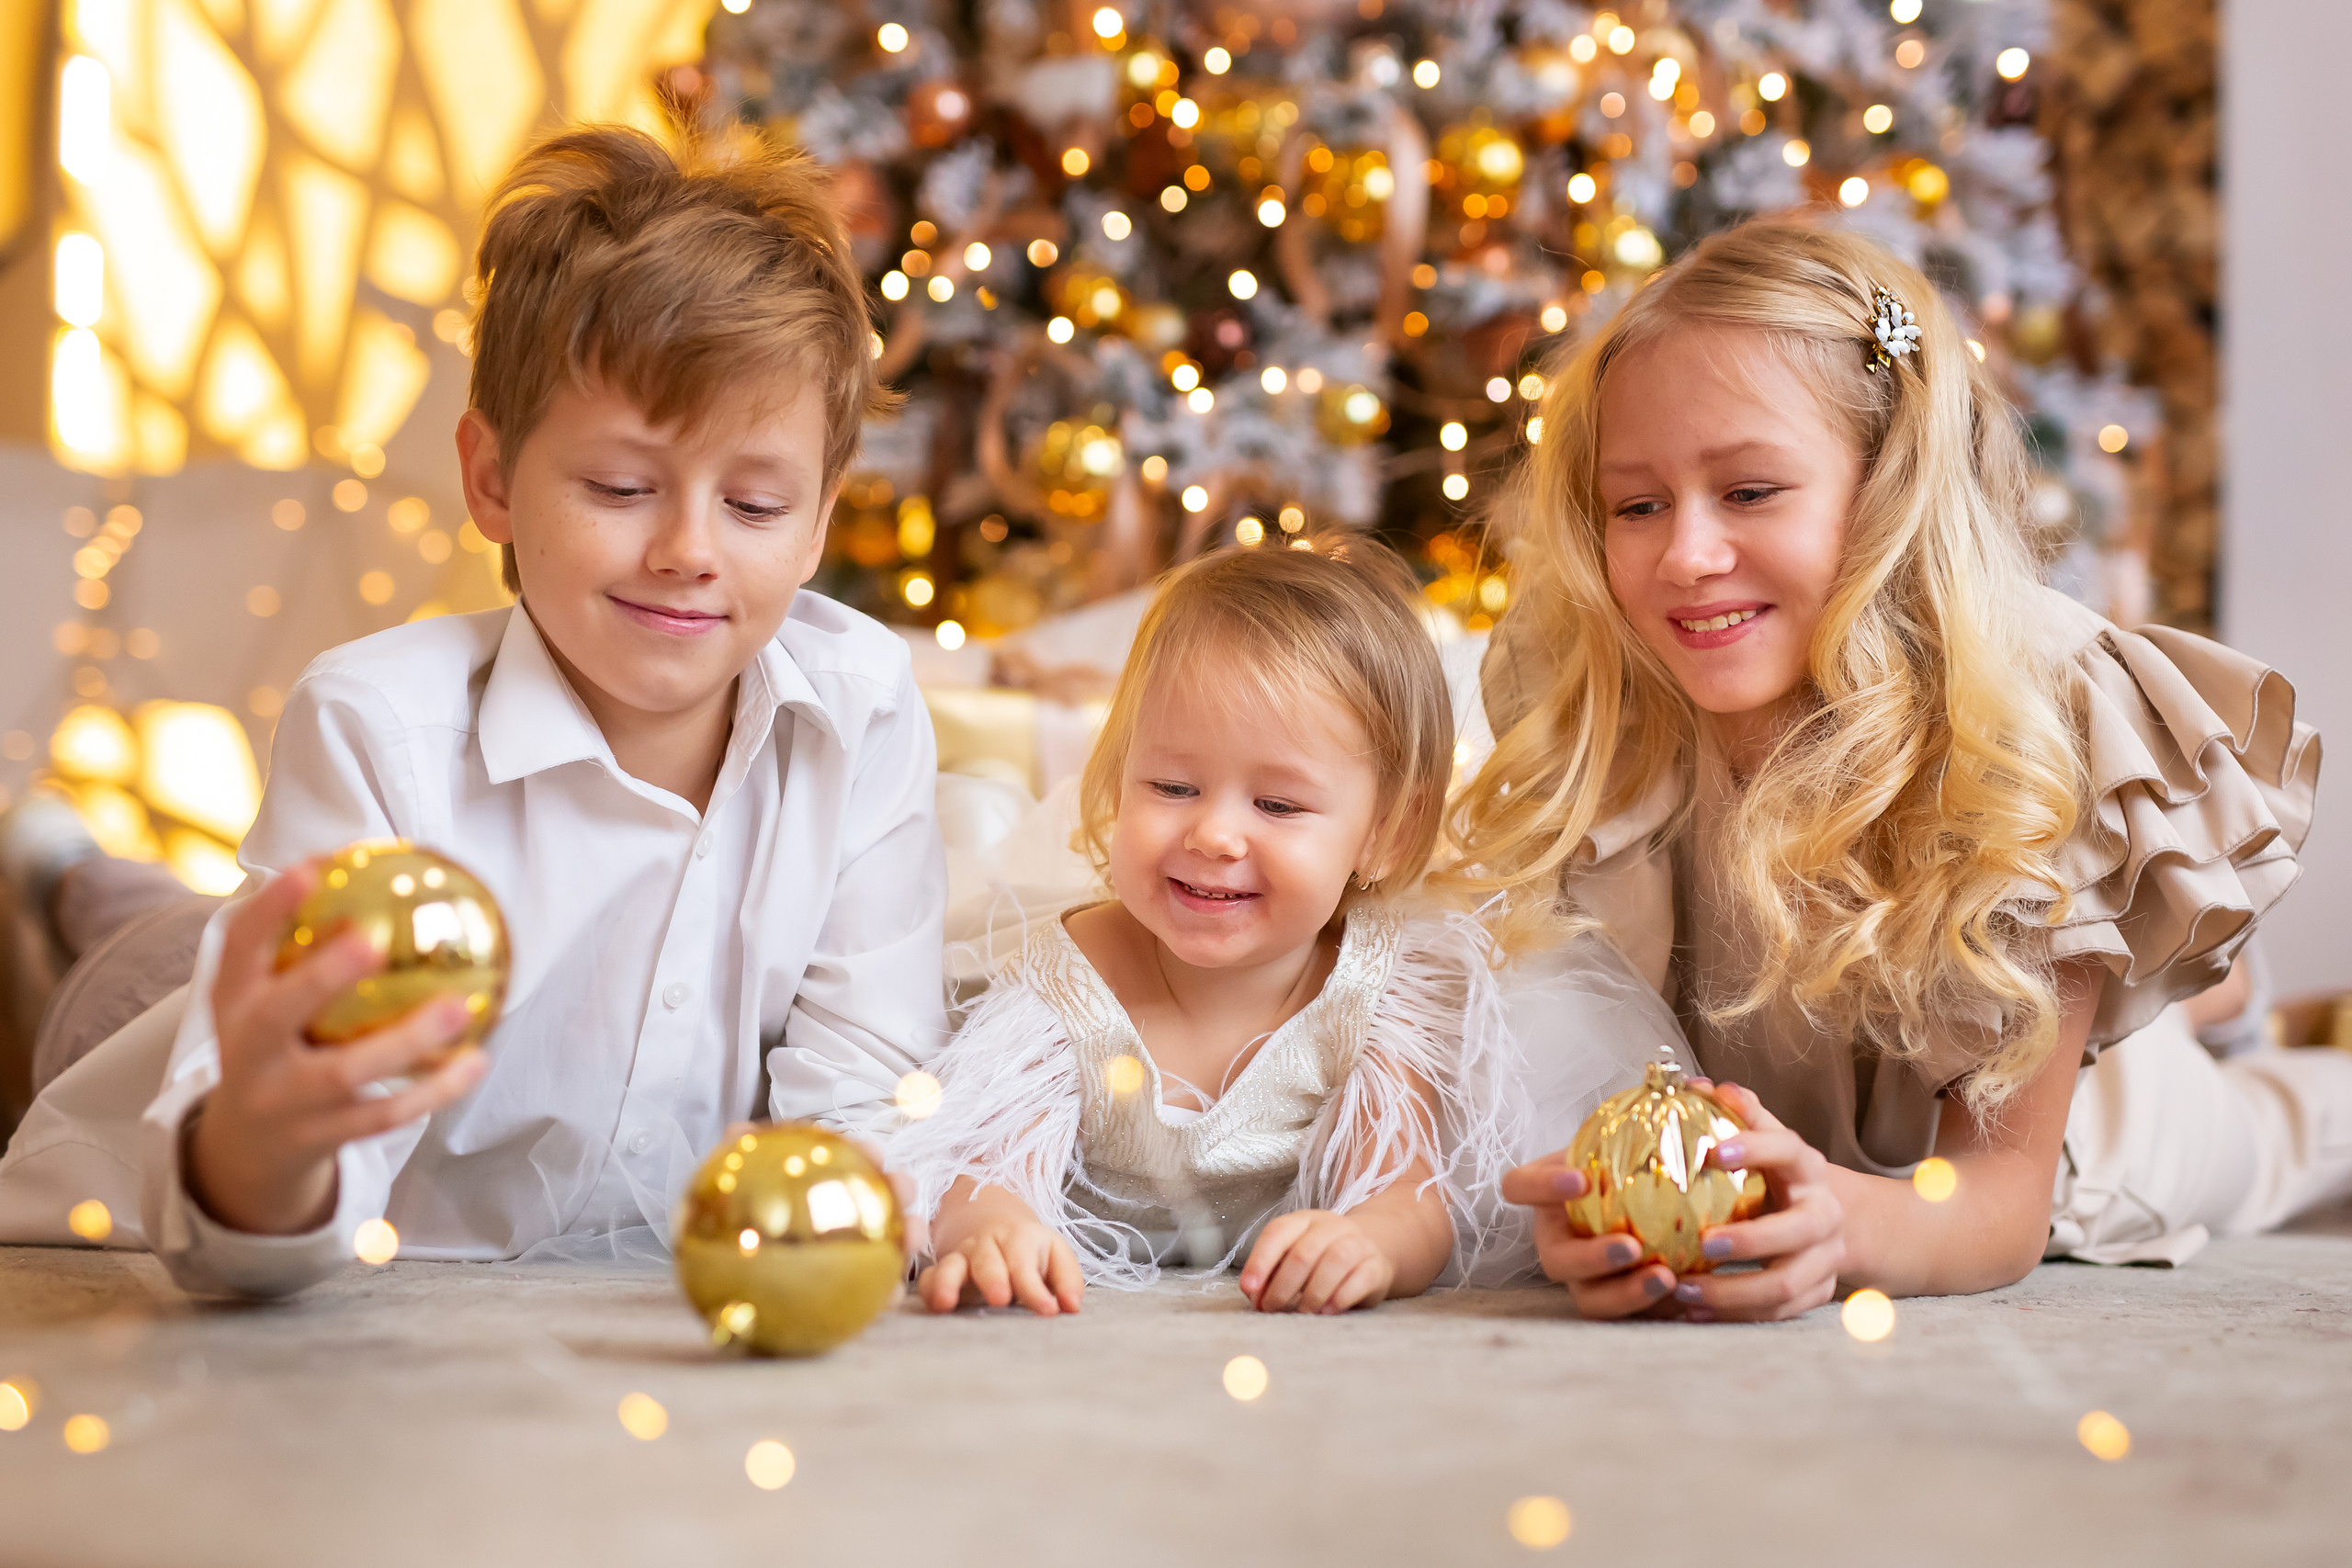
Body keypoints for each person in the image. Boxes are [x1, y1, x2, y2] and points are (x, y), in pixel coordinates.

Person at [0, 126, 946, 1294]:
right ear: (492, 479)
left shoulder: (862, 706)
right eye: (620, 487)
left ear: (818, 523)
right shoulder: (377, 724)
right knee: (133, 944)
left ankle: (78, 865)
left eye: (754, 506)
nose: (688, 550)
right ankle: (62, 865)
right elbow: (255, 1228)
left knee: (161, 916)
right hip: (159, 1037)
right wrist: (265, 1140)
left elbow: (868, 1091)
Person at [1453, 219, 2347, 1321]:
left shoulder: (2027, 724)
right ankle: (2213, 1006)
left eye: (1749, 491)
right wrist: (1591, 1206)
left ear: (1885, 489)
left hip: (2085, 1141)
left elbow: (1995, 1206)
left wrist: (1842, 1225)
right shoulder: (1607, 691)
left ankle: (2216, 1023)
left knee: (2285, 1131)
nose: (1685, 556)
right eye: (1637, 506)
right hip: (1831, 1124)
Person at [896, 537, 1670, 1316]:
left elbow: (1408, 1199)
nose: (1214, 835)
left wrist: (1369, 1242)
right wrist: (995, 1230)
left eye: (1277, 804)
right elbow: (983, 1171)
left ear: (1385, 833)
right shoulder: (1073, 977)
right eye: (1172, 786)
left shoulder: (1372, 993)